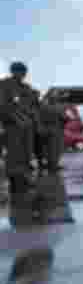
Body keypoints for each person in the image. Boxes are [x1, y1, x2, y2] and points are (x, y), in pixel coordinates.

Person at [0, 61, 37, 193]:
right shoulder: (4, 85)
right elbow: (3, 106)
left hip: (27, 126)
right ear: (13, 71)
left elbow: (32, 105)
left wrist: (30, 116)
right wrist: (14, 118)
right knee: (14, 153)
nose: (23, 75)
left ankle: (25, 177)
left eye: (24, 72)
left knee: (26, 152)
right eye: (21, 72)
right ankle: (14, 180)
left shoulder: (26, 87)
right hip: (12, 126)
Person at [37, 90, 68, 173]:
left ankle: (50, 163)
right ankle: (54, 165)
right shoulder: (59, 107)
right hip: (57, 130)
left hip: (46, 130)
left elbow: (39, 118)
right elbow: (65, 118)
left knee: (48, 148)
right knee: (56, 148)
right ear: (56, 98)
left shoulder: (43, 107)